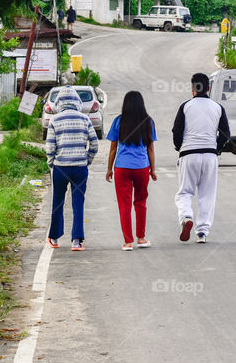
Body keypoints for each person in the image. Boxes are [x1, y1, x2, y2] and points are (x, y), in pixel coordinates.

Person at [172, 73, 230, 243]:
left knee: (184, 192)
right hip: (210, 155)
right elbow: (226, 134)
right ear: (208, 88)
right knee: (207, 194)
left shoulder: (185, 106)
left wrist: (179, 147)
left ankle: (186, 217)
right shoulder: (218, 107)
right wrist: (216, 149)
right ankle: (202, 232)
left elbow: (177, 131)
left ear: (193, 89)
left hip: (189, 154)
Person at [45, 86, 99, 251]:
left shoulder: (55, 120)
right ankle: (77, 241)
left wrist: (51, 163)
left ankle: (54, 238)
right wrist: (87, 160)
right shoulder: (85, 119)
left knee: (58, 202)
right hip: (79, 167)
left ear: (59, 102)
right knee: (78, 203)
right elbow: (95, 144)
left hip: (60, 167)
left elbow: (50, 147)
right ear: (77, 101)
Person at [105, 91, 157, 251]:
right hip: (142, 167)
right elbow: (151, 148)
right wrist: (153, 170)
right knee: (141, 202)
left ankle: (128, 242)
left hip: (122, 167)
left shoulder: (118, 121)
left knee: (124, 204)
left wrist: (109, 169)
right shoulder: (148, 122)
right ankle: (141, 238)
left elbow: (113, 148)